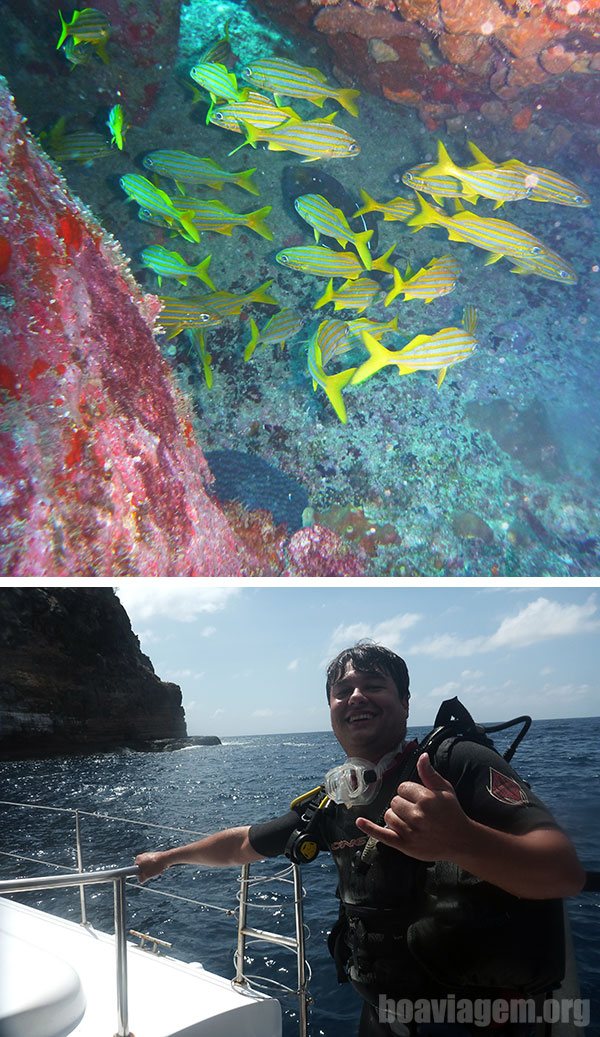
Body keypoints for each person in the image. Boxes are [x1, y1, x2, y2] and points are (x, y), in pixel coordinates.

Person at [135, 642, 585, 1036]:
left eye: (373, 684)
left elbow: (563, 872)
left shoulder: (455, 765)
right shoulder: (336, 805)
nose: (355, 696)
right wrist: (168, 858)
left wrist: (460, 841)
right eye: (341, 690)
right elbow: (242, 844)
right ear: (330, 709)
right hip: (382, 1019)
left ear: (405, 703)